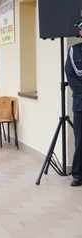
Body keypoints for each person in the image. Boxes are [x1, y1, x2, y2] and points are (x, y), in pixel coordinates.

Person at [65, 22, 82, 187]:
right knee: (80, 141)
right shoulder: (74, 51)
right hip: (81, 102)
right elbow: (70, 75)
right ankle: (78, 174)